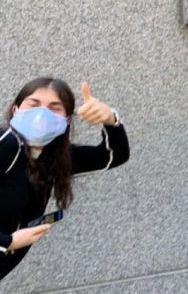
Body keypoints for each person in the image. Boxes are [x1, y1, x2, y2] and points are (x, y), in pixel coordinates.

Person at [1, 77, 129, 280]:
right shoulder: (6, 144)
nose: (42, 114)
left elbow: (113, 157)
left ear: (67, 120)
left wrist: (111, 120)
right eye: (33, 104)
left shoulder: (52, 157)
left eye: (54, 108)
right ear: (16, 110)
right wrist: (6, 242)